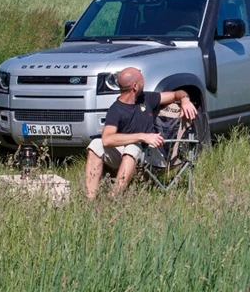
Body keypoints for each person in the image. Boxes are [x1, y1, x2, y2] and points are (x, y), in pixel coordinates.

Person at [85, 67, 198, 199]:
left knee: (132, 148)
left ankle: (114, 198)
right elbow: (107, 139)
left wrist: (184, 99)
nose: (144, 81)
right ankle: (90, 199)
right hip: (129, 154)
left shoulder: (146, 99)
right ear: (134, 86)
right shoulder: (115, 110)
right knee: (95, 145)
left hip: (154, 156)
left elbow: (176, 94)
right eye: (142, 79)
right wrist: (142, 136)